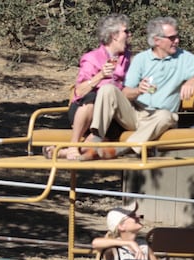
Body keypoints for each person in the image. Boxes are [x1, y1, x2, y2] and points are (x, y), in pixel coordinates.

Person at [82, 16, 194, 159]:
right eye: (172, 38)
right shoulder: (141, 59)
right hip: (136, 114)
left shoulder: (183, 57)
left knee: (167, 116)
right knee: (107, 89)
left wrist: (193, 80)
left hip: (159, 118)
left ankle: (122, 150)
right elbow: (126, 92)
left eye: (177, 36)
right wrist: (138, 91)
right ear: (156, 40)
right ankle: (96, 139)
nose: (177, 41)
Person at [44, 13, 132, 160]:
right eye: (126, 31)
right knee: (91, 98)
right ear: (114, 35)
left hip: (110, 113)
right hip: (85, 111)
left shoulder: (126, 58)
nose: (129, 35)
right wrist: (100, 75)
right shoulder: (92, 58)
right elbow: (79, 91)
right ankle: (73, 145)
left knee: (104, 139)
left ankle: (61, 152)